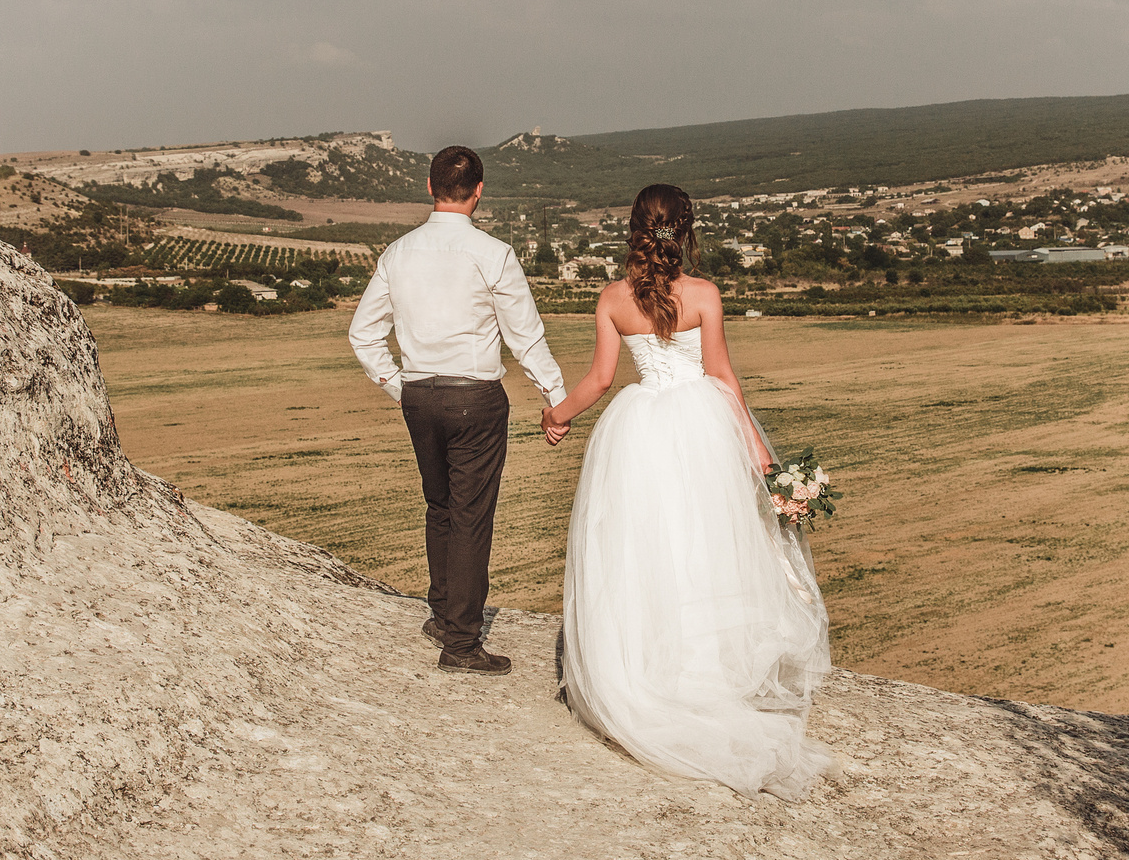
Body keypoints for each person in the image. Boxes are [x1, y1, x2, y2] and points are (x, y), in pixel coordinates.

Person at [539, 184, 832, 799]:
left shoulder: (613, 299)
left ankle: (651, 665)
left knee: (647, 545)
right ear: (686, 229)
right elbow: (722, 376)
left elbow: (600, 379)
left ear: (634, 230)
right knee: (705, 541)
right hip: (702, 427)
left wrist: (557, 415)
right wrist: (759, 456)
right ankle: (708, 668)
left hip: (639, 431)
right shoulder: (704, 295)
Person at [349, 145, 565, 675]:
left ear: (430, 187)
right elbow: (526, 339)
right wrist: (556, 400)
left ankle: (444, 615)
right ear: (479, 191)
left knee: (439, 505)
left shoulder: (397, 253)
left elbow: (363, 334)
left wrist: (398, 386)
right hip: (475, 396)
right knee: (471, 515)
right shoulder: (494, 254)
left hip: (418, 395)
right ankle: (462, 643)